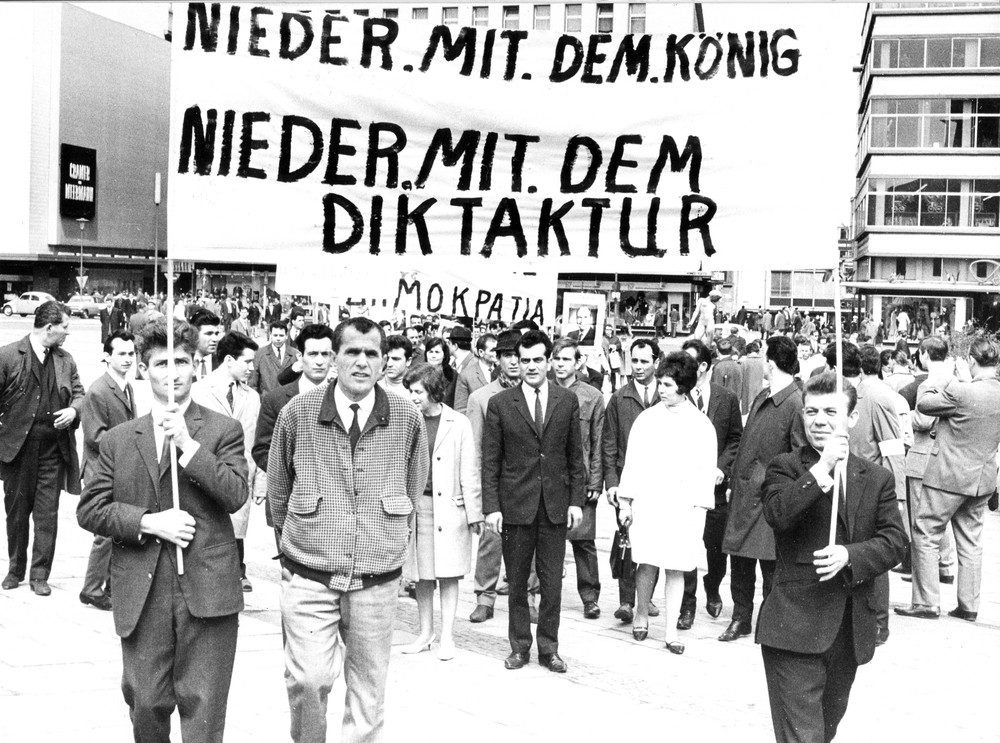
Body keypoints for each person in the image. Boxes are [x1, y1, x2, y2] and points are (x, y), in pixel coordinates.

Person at [76, 318, 249, 742]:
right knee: (145, 702)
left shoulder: (222, 429)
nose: (172, 373)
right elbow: (91, 509)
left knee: (204, 707)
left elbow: (235, 494)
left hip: (207, 588)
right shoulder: (119, 439)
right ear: (143, 369)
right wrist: (149, 522)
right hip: (143, 587)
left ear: (197, 366)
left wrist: (189, 446)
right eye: (160, 363)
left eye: (182, 362)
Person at [268, 317, 428, 742]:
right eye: (351, 352)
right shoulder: (297, 413)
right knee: (308, 679)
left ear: (385, 362)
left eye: (372, 354)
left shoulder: (406, 416)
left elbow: (413, 487)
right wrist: (291, 552)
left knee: (368, 691)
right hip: (308, 573)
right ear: (334, 358)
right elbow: (279, 490)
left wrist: (389, 540)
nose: (361, 362)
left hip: (377, 579)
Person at [758, 372, 907, 743]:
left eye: (830, 412)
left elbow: (895, 542)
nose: (819, 420)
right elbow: (779, 514)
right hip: (793, 628)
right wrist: (822, 468)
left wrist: (850, 555)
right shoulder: (786, 467)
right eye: (811, 412)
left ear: (852, 418)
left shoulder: (875, 478)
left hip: (847, 633)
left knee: (823, 734)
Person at [481, 329, 585, 673]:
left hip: (554, 506)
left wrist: (575, 502)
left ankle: (549, 648)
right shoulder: (500, 404)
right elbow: (491, 461)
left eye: (538, 359)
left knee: (552, 583)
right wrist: (492, 508)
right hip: (516, 506)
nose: (530, 366)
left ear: (549, 361)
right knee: (517, 583)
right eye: (524, 360)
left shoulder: (566, 401)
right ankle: (520, 647)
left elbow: (575, 458)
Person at [617, 352, 716, 654]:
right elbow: (632, 463)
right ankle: (642, 614)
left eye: (669, 384)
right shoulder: (647, 420)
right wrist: (626, 502)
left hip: (684, 508)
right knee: (646, 561)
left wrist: (700, 511)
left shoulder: (701, 425)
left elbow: (705, 472)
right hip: (650, 502)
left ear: (683, 386)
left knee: (676, 567)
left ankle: (671, 631)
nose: (662, 389)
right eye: (660, 383)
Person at [896, 337, 1000, 623]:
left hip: (947, 477)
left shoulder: (961, 391)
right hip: (982, 479)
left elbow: (924, 403)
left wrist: (948, 379)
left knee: (926, 532)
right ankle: (968, 606)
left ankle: (926, 602)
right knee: (971, 542)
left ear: (971, 360)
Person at [720, 335, 806, 642]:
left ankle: (769, 623)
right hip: (745, 494)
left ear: (770, 363)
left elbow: (800, 455)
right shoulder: (763, 394)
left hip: (771, 499)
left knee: (771, 565)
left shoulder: (796, 402)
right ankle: (740, 618)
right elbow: (746, 442)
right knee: (740, 560)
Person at [400, 364, 483, 660]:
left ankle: (447, 636)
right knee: (422, 575)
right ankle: (425, 633)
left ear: (434, 391)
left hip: (450, 508)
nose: (412, 397)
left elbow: (470, 470)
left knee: (448, 574)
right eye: (409, 391)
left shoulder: (458, 423)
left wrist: (475, 514)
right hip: (418, 506)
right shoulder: (408, 420)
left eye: (418, 392)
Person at [0, 301, 84, 594]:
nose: (66, 333)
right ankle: (15, 570)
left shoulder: (66, 359)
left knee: (47, 514)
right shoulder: (9, 355)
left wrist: (74, 411)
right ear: (49, 328)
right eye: (64, 327)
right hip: (18, 451)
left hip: (53, 451)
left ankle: (39, 575)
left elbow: (79, 394)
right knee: (17, 513)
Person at [466, 329, 539, 624]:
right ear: (497, 359)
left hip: (526, 482)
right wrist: (481, 493)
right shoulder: (481, 398)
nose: (512, 362)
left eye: (516, 356)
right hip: (495, 482)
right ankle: (485, 597)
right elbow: (475, 448)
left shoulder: (533, 393)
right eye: (507, 356)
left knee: (530, 544)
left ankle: (530, 597)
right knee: (491, 541)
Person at [677, 339, 744, 630]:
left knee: (716, 547)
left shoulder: (726, 398)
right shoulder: (675, 396)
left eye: (690, 364)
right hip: (684, 489)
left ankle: (713, 585)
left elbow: (735, 438)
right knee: (687, 546)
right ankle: (687, 604)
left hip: (716, 490)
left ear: (704, 366)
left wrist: (722, 468)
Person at [252, 323, 335, 549]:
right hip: (289, 500)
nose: (319, 361)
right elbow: (261, 450)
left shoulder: (345, 399)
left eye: (325, 354)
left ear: (333, 357)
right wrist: (298, 472)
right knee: (291, 575)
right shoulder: (276, 400)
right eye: (313, 354)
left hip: (335, 505)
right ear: (300, 356)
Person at [191, 331, 261, 592]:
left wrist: (260, 482)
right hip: (206, 475)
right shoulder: (198, 391)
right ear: (229, 360)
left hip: (240, 477)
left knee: (235, 535)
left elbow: (255, 442)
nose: (252, 368)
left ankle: (234, 580)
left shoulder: (252, 397)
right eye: (248, 361)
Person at [602, 338, 662, 624]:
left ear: (656, 362)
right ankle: (627, 601)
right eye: (634, 361)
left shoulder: (666, 395)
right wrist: (611, 483)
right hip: (628, 482)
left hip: (660, 484)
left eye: (644, 361)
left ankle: (645, 597)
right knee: (627, 539)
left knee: (653, 541)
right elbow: (609, 444)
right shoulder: (619, 398)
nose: (638, 367)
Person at [79, 331, 137, 611]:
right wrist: (132, 444)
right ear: (107, 357)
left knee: (116, 529)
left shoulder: (126, 386)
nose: (128, 359)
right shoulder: (98, 390)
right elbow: (95, 436)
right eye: (121, 354)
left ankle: (111, 586)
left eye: (131, 353)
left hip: (117, 468)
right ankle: (91, 588)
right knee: (105, 530)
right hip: (100, 471)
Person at [552, 338, 606, 619]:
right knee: (549, 540)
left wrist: (595, 482)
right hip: (550, 478)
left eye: (566, 359)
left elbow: (598, 442)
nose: (560, 364)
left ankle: (590, 597)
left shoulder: (592, 396)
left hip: (581, 480)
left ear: (577, 363)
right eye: (556, 359)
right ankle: (546, 594)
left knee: (583, 541)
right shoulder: (543, 391)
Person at [898, 337, 956, 579]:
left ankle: (923, 570)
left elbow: (922, 420)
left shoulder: (928, 384)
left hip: (922, 456)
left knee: (920, 518)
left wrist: (902, 415)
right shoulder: (954, 380)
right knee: (939, 515)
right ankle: (944, 564)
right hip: (944, 453)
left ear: (923, 354)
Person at [454, 332, 496, 413]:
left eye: (497, 350)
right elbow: (460, 409)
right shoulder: (466, 375)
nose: (496, 354)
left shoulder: (502, 372)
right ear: (481, 352)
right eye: (492, 351)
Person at [188, 309, 222, 382]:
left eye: (216, 334)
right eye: (209, 333)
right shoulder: (184, 363)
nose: (215, 339)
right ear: (194, 334)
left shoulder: (222, 364)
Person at [424, 336, 456, 408]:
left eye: (437, 352)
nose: (433, 356)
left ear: (444, 355)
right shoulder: (420, 374)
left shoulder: (453, 375)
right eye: (430, 352)